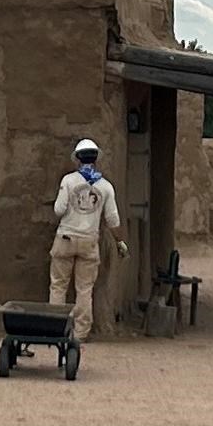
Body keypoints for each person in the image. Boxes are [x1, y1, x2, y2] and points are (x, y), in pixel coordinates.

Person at [48, 138, 129, 343]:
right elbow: (113, 220)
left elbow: (58, 210)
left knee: (58, 285)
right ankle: (80, 332)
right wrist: (120, 242)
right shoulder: (106, 187)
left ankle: (55, 327)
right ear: (96, 160)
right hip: (89, 241)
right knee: (84, 289)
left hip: (65, 237)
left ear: (77, 159)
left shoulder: (68, 181)